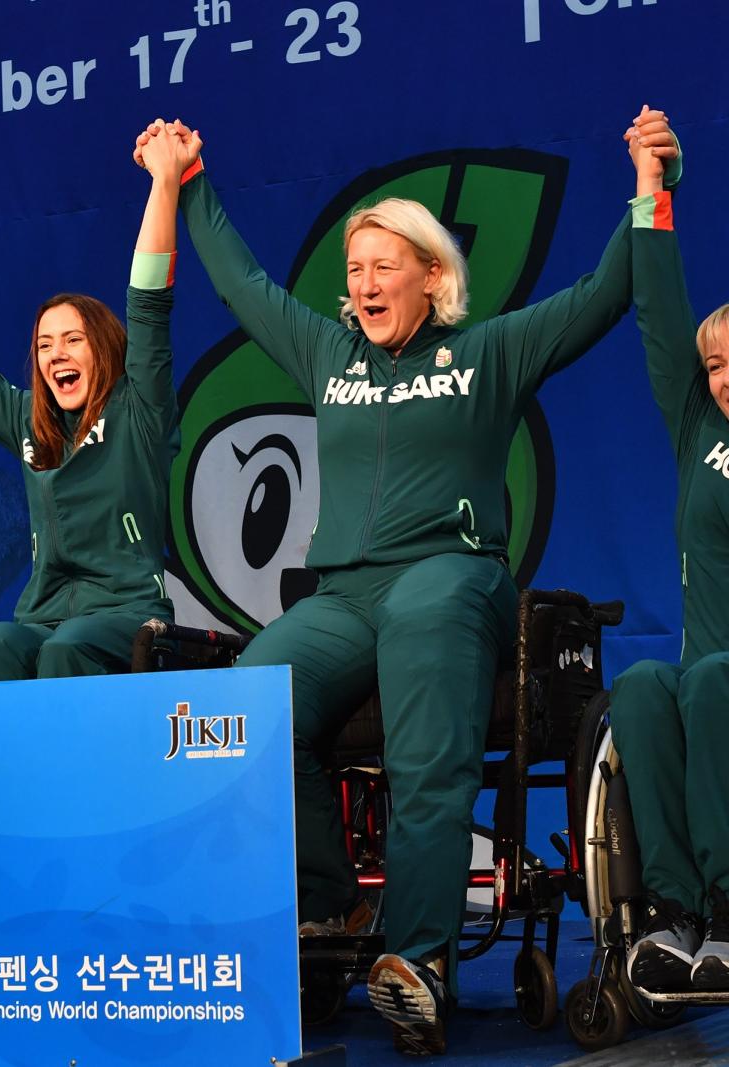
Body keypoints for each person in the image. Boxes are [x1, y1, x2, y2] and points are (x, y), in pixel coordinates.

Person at [135, 114, 676, 1055]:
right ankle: (336, 912)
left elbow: (604, 293)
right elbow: (244, 284)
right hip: (343, 593)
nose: (364, 284)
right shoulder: (327, 356)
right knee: (248, 708)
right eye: (354, 270)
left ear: (434, 273)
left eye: (384, 265)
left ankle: (421, 962)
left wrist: (647, 180)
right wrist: (188, 184)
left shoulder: (489, 352)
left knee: (428, 713)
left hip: (450, 574)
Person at [0, 130, 188, 682]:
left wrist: (165, 183)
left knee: (66, 649)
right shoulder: (31, 423)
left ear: (105, 348)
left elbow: (148, 301)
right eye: (45, 345)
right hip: (43, 617)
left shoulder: (139, 411)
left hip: (125, 616)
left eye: (72, 340)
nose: (56, 355)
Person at [611, 108, 729, 994]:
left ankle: (728, 905)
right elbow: (660, 312)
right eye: (716, 366)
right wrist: (655, 190)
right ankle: (675, 909)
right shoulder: (699, 429)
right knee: (647, 682)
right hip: (706, 678)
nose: (724, 379)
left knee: (708, 678)